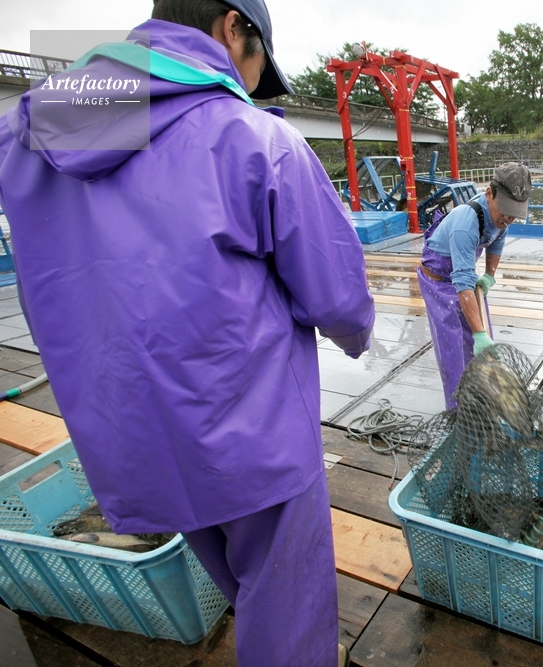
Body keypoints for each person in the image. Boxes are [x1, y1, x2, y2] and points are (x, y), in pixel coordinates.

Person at [0, 1, 375, 665]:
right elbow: (338, 296)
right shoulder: (254, 139)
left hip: (128, 432)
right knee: (284, 599)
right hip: (251, 430)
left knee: (234, 570)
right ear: (233, 27)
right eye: (258, 66)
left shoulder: (30, 130)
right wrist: (356, 334)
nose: (252, 85)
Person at [418, 163, 531, 408]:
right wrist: (479, 334)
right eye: (505, 211)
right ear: (489, 193)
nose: (508, 218)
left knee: (481, 343)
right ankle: (458, 409)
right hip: (437, 278)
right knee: (453, 345)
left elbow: (496, 243)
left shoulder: (502, 219)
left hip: (463, 272)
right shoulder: (465, 223)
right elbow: (462, 282)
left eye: (514, 214)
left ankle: (482, 397)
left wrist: (489, 276)